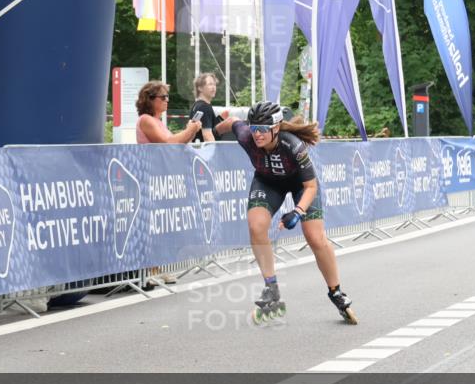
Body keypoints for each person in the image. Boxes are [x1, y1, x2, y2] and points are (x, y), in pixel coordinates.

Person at [214, 101, 358, 324]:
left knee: (315, 237)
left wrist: (297, 212)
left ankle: (336, 291)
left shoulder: (293, 145)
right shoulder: (245, 136)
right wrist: (214, 130)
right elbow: (232, 122)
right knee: (256, 226)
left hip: (301, 185)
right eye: (254, 129)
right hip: (267, 182)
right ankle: (271, 289)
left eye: (263, 130)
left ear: (277, 128)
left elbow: (311, 186)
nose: (257, 135)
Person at [135, 81, 201, 144]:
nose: (167, 100)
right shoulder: (146, 119)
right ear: (150, 99)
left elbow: (177, 142)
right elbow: (166, 143)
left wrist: (192, 131)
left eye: (167, 96)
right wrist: (189, 130)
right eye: (163, 97)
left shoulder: (156, 121)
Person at [189, 72, 228, 142]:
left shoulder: (197, 105)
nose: (214, 87)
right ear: (200, 88)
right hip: (203, 151)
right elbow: (207, 136)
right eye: (210, 84)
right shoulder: (204, 107)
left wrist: (220, 120)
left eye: (214, 84)